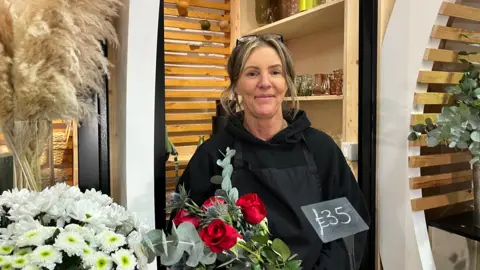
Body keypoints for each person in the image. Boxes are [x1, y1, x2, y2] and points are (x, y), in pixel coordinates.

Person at [171, 33, 370, 269]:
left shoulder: (320, 149)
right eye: (252, 73)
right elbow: (183, 240)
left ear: (287, 83)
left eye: (275, 72)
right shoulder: (212, 155)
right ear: (236, 85)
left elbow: (346, 235)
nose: (265, 82)